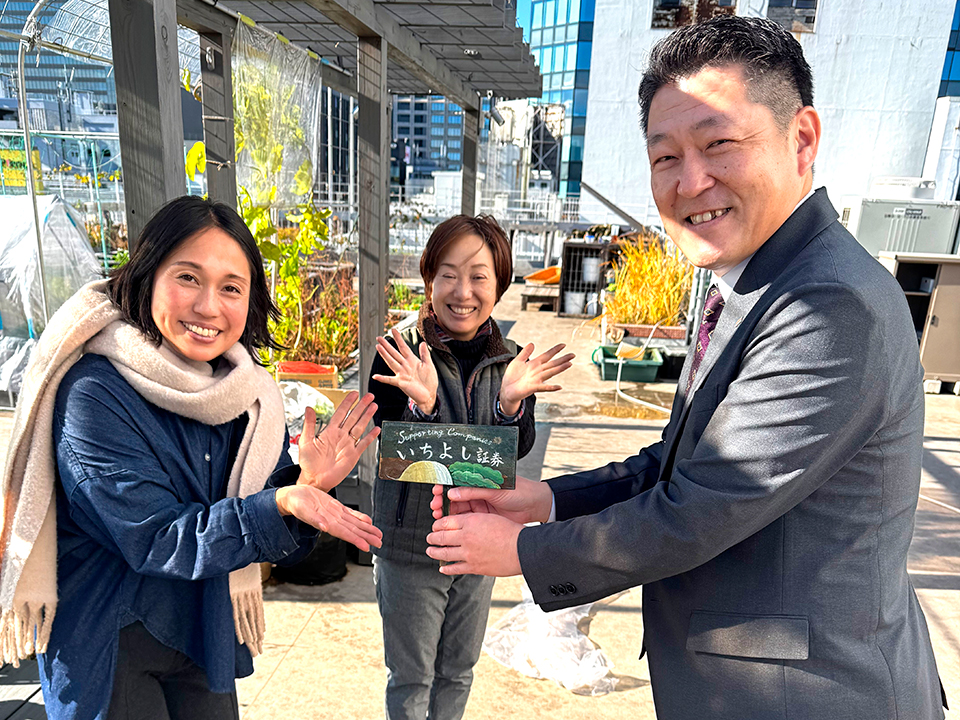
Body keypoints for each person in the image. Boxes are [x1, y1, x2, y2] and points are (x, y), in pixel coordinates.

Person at [425, 16, 947, 720]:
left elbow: (704, 509)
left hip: (806, 698)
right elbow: (679, 465)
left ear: (801, 139)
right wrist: (547, 500)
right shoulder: (756, 278)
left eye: (719, 144)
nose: (690, 180)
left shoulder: (828, 304)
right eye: (665, 156)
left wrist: (527, 549)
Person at [0, 195, 382, 720]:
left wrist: (307, 486)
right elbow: (157, 537)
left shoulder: (246, 396)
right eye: (188, 278)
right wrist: (281, 506)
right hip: (111, 637)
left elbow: (272, 527)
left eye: (231, 287)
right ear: (147, 275)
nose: (208, 306)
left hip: (203, 629)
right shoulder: (94, 393)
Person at [367, 214, 573, 720]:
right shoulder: (398, 352)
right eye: (449, 274)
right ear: (429, 279)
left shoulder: (509, 360)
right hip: (411, 546)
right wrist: (423, 408)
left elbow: (510, 455)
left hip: (481, 543)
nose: (463, 292)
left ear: (498, 285)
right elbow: (395, 453)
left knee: (459, 670)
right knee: (411, 677)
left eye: (479, 276)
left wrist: (509, 406)